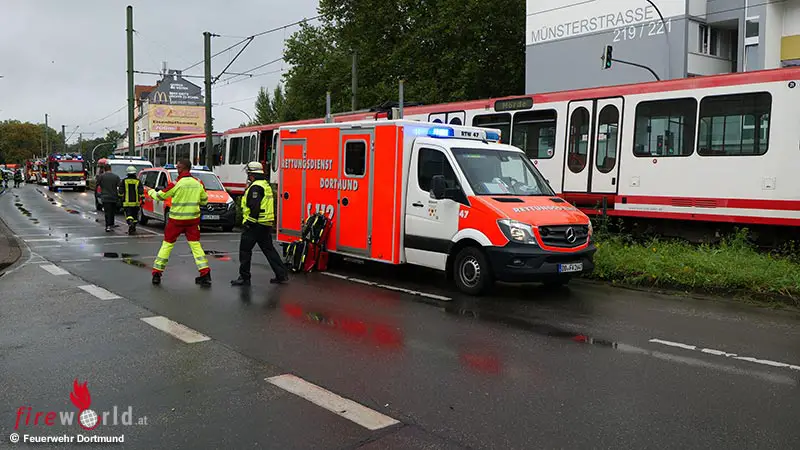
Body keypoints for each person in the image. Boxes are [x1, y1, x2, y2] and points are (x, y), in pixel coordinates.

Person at [148, 159, 211, 287]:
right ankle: (205, 274)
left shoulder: (176, 184)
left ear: (182, 168)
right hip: (192, 221)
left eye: (178, 167)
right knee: (196, 247)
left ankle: (157, 274)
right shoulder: (198, 183)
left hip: (176, 221)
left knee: (167, 246)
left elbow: (160, 196)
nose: (177, 169)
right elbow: (204, 200)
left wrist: (149, 191)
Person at [231, 162, 289, 286]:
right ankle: (281, 274)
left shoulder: (255, 187)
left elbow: (254, 207)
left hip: (255, 224)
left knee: (245, 250)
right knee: (269, 250)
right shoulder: (265, 185)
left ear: (251, 174)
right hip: (265, 224)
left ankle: (244, 277)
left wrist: (249, 223)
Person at [118, 166, 143, 235]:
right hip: (136, 203)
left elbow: (120, 192)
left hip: (127, 203)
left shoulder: (124, 181)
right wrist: (142, 199)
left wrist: (120, 198)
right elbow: (141, 192)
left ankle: (130, 223)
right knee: (135, 216)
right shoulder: (138, 181)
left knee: (128, 215)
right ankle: (133, 227)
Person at [95, 164, 121, 232]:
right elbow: (119, 187)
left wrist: (98, 193)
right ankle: (112, 224)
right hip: (114, 197)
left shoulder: (101, 177)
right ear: (110, 169)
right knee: (112, 211)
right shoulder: (116, 177)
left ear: (104, 169)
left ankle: (108, 226)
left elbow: (97, 185)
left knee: (107, 212)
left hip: (105, 197)